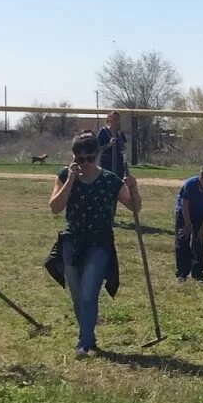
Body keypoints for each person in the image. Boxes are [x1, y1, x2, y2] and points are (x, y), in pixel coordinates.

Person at [50, 131, 139, 357]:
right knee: (78, 296)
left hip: (100, 243)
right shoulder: (64, 176)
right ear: (73, 157)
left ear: (97, 155)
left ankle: (84, 343)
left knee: (90, 293)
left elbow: (134, 207)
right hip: (72, 241)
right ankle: (88, 336)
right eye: (80, 159)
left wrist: (134, 188)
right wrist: (70, 180)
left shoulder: (110, 180)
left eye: (90, 158)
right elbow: (55, 207)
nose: (86, 164)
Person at [174, 162, 203, 283]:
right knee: (183, 239)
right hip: (184, 212)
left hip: (201, 213)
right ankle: (182, 273)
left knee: (200, 241)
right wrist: (187, 224)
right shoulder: (190, 185)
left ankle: (198, 274)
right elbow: (184, 204)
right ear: (201, 178)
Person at [96, 111, 128, 177]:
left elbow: (123, 152)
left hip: (119, 167)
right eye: (114, 119)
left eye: (118, 119)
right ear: (109, 119)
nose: (116, 121)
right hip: (106, 165)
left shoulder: (120, 134)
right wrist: (109, 144)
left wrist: (126, 168)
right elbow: (97, 149)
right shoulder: (103, 132)